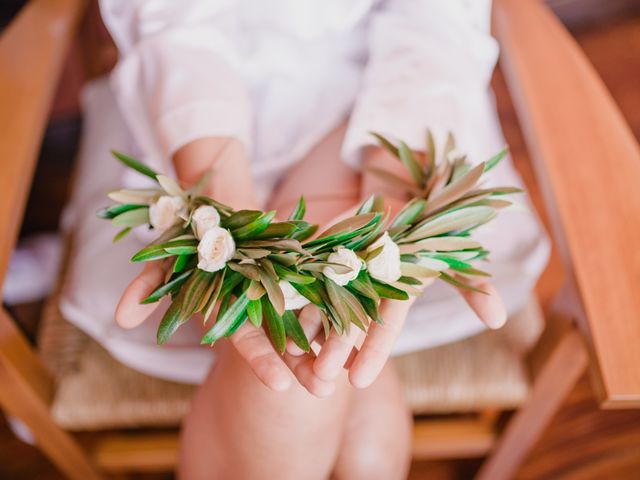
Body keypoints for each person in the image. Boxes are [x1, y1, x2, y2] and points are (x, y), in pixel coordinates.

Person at [60, 1, 549, 478]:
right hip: (202, 107)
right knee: (338, 417)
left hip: (379, 102)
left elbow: (433, 15)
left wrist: (395, 173)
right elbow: (175, 18)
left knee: (314, 371)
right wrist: (216, 196)